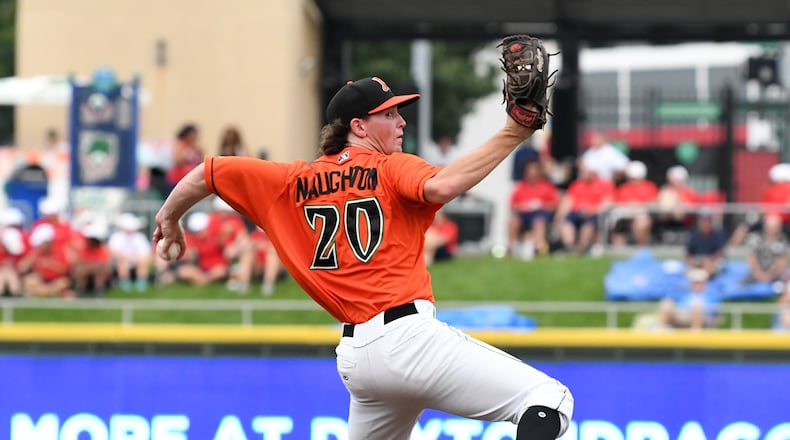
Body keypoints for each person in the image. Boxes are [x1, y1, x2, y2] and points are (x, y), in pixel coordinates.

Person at [153, 71, 572, 439]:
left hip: (359, 360)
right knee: (550, 400)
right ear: (358, 125)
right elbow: (443, 186)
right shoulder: (391, 167)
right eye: (389, 114)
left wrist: (169, 219)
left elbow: (207, 173)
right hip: (409, 338)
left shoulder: (288, 181)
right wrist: (514, 131)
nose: (401, 121)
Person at [555, 157, 615, 255]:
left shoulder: (605, 184)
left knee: (588, 226)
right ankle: (570, 248)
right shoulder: (576, 184)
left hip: (594, 214)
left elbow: (606, 203)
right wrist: (560, 214)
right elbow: (568, 200)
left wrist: (590, 210)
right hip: (576, 212)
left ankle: (582, 248)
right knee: (565, 222)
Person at [508, 158, 559, 258]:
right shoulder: (521, 186)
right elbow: (513, 205)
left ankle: (539, 248)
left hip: (541, 214)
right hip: (524, 214)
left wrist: (541, 205)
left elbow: (555, 204)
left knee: (539, 221)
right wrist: (524, 206)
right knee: (513, 220)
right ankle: (513, 248)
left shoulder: (546, 186)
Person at [610, 160, 659, 246]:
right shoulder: (623, 188)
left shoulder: (650, 187)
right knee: (615, 224)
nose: (634, 181)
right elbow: (617, 204)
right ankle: (619, 252)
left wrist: (638, 207)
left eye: (636, 178)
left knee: (642, 223)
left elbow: (653, 203)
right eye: (632, 178)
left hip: (641, 215)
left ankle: (640, 251)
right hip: (624, 216)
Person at [108, 213, 153, 292]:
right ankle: (125, 282)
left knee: (143, 261)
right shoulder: (117, 237)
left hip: (136, 261)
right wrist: (126, 257)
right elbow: (113, 251)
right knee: (122, 261)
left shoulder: (140, 237)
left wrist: (135, 258)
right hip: (121, 261)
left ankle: (141, 282)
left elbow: (145, 252)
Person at [685, 208, 728, 278]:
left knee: (711, 267)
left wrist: (708, 261)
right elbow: (688, 254)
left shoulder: (718, 234)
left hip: (713, 263)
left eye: (707, 221)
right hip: (697, 263)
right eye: (703, 221)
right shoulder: (694, 235)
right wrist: (694, 262)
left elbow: (720, 253)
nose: (705, 223)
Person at [166, 123, 203, 190]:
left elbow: (200, 163)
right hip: (177, 179)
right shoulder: (181, 144)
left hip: (190, 179)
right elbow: (177, 160)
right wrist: (187, 156)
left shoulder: (196, 148)